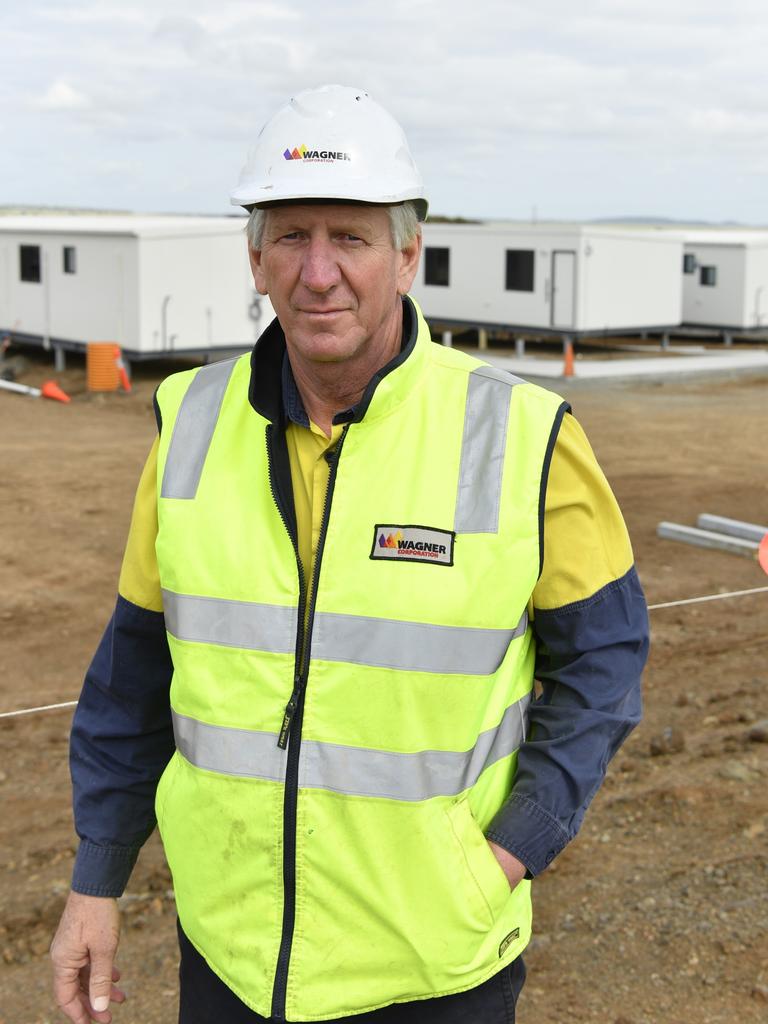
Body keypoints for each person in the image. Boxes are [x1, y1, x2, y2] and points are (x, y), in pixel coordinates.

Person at [51, 85, 648, 1024]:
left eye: (351, 237)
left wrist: (511, 848)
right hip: (232, 960)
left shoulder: (522, 434)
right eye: (290, 236)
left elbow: (606, 662)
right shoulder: (189, 423)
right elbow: (133, 677)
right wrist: (96, 882)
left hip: (432, 967)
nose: (318, 272)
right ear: (254, 256)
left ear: (408, 254)